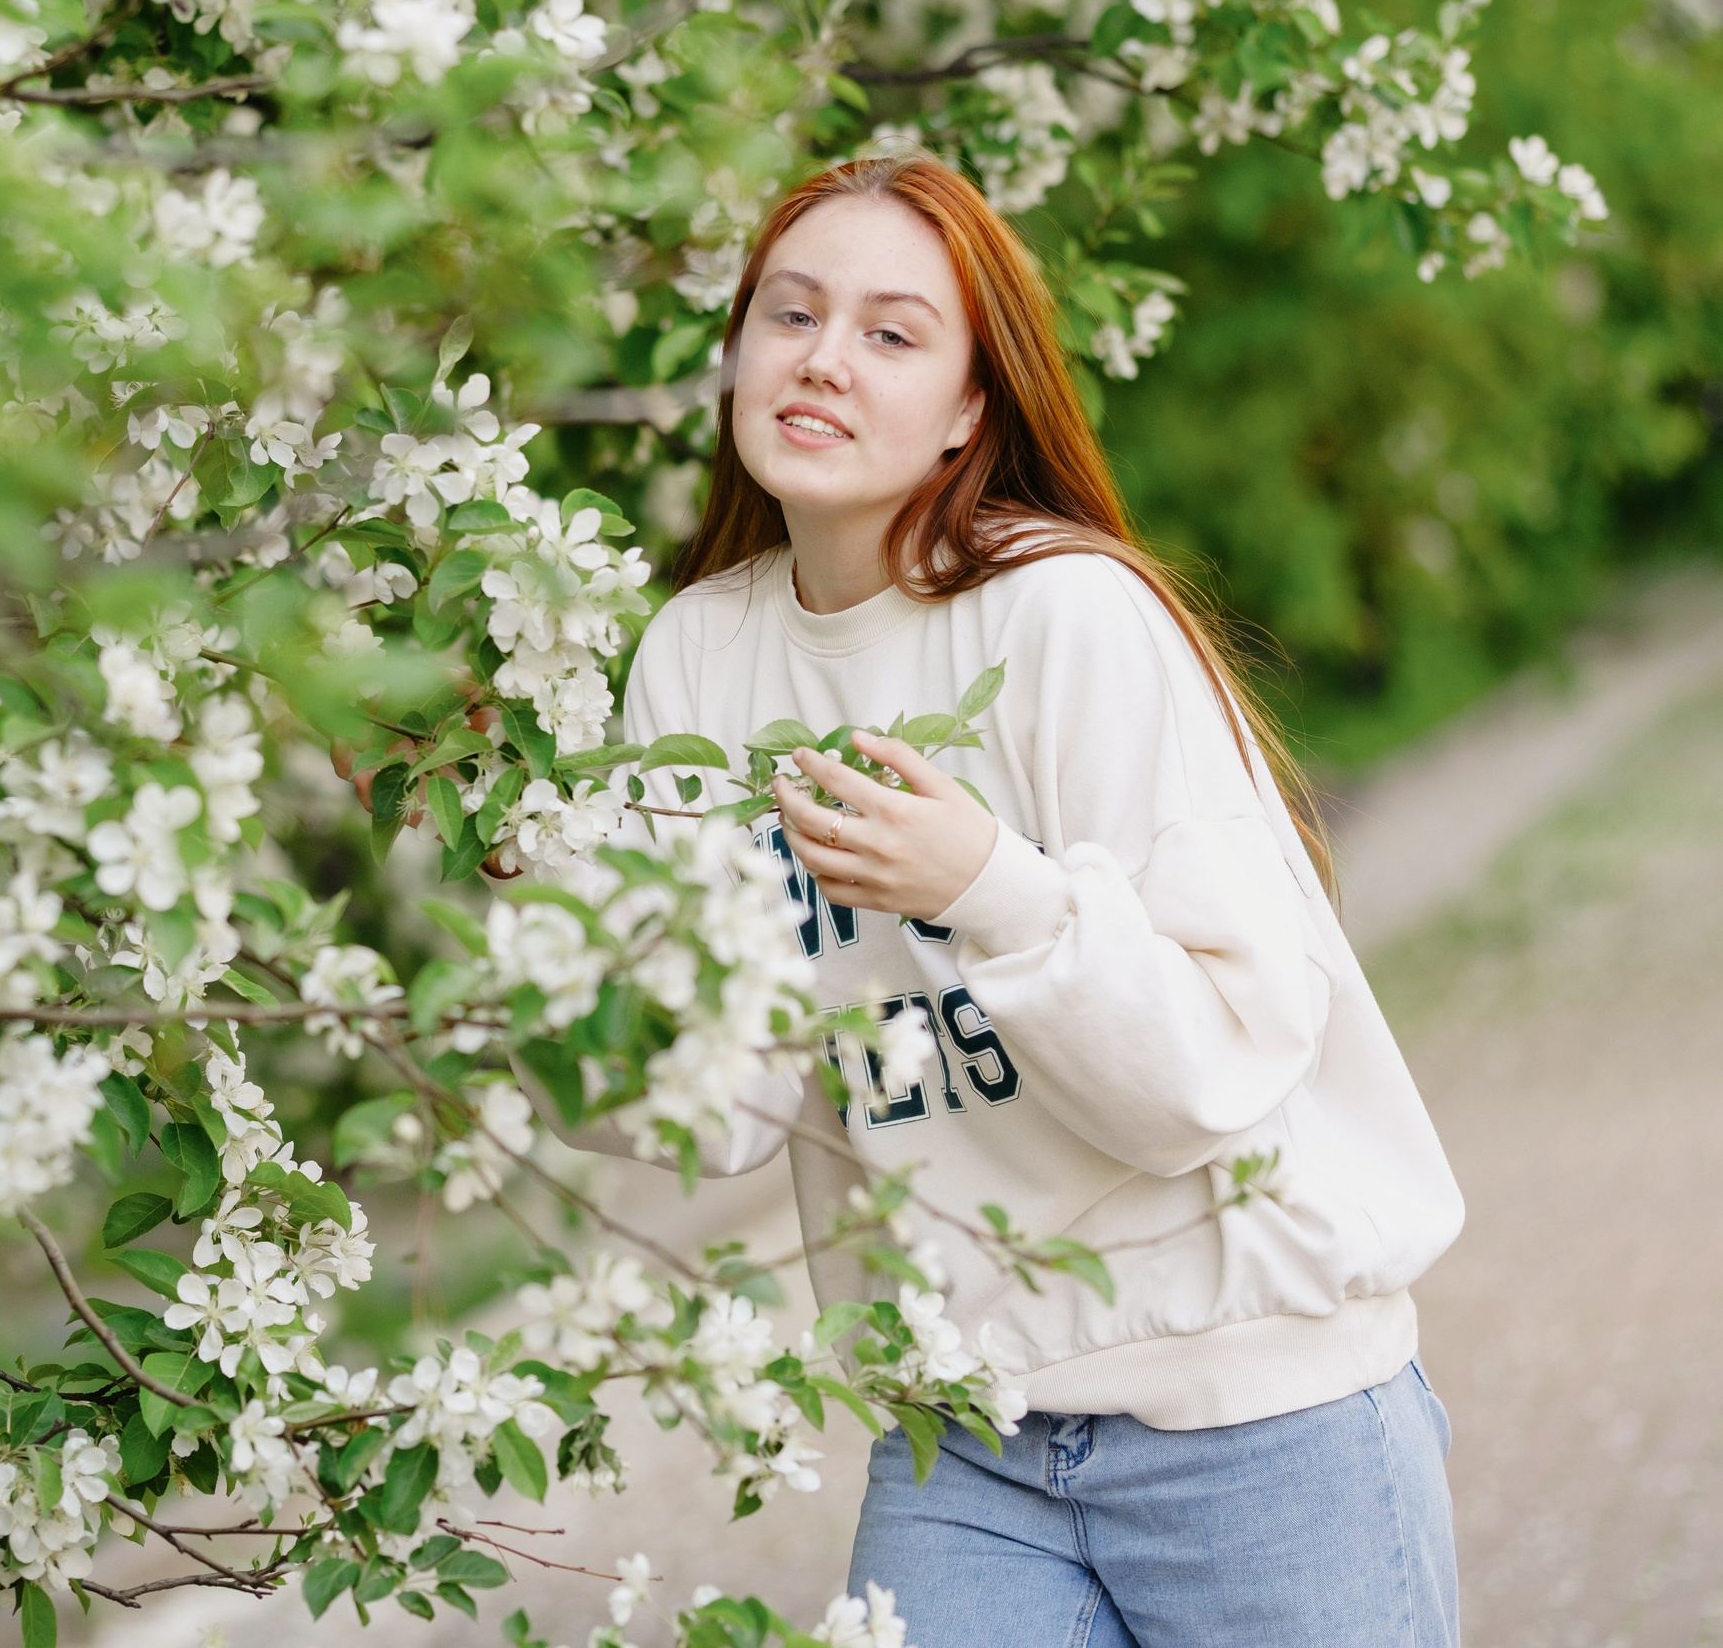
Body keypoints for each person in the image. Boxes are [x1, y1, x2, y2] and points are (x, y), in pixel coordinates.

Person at [614, 154, 1466, 1647]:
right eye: (789, 314)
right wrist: (558, 945)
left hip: (1257, 1410)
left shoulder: (1068, 617)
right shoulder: (695, 661)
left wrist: (990, 891)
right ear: (737, 351)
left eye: (891, 332)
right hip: (965, 1440)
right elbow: (719, 1116)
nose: (821, 358)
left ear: (967, 409)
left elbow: (1208, 1080)